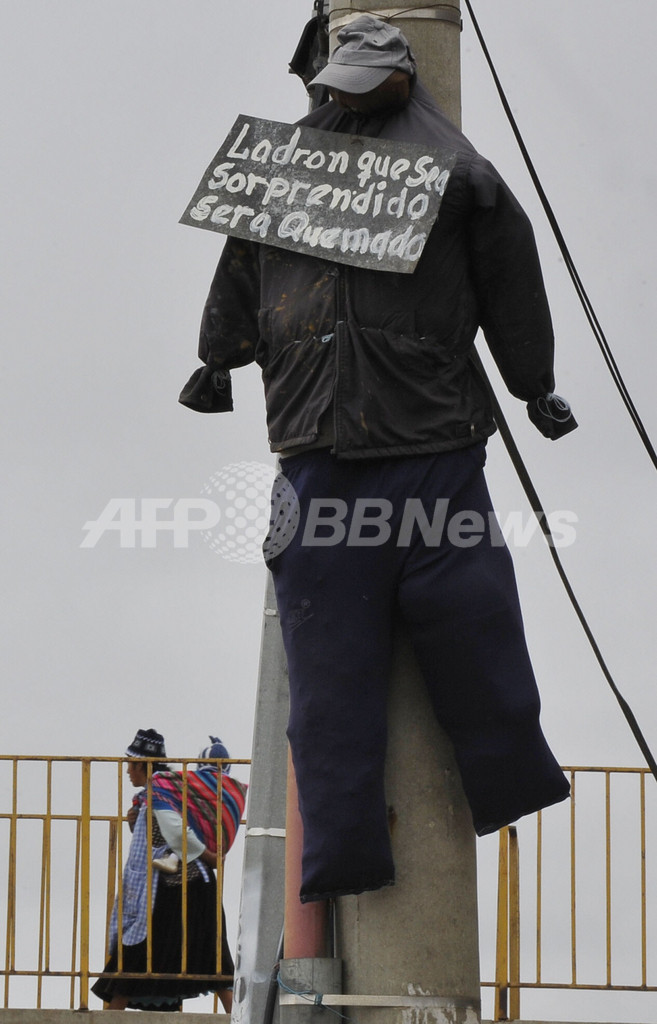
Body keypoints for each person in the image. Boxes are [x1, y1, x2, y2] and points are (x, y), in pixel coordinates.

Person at [179, 16, 576, 904]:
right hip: (317, 456)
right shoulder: (284, 169)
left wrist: (532, 383)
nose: (351, 98)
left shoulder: (460, 175)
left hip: (435, 445)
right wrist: (219, 357)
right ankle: (345, 859)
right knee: (328, 695)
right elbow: (239, 268)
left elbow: (513, 278)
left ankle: (511, 784)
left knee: (479, 633)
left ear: (401, 79)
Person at [92, 729, 228, 1012]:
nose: (128, 771)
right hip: (187, 889)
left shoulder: (159, 792)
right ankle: (243, 1017)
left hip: (174, 891)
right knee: (208, 963)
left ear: (144, 765)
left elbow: (177, 834)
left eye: (131, 764)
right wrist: (134, 823)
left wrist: (210, 857)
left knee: (132, 962)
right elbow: (159, 838)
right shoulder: (158, 794)